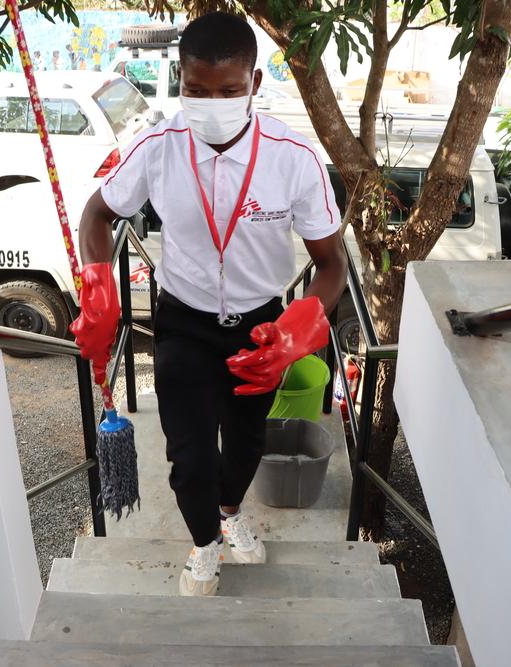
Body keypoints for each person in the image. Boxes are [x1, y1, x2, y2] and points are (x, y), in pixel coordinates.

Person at [71, 12, 346, 597]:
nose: (211, 103)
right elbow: (98, 215)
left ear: (254, 83)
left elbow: (332, 265)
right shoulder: (156, 147)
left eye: (228, 91)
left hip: (261, 326)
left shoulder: (292, 158)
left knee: (246, 442)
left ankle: (229, 511)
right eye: (197, 91)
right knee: (188, 453)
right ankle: (203, 544)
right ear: (181, 81)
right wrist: (98, 287)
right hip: (184, 322)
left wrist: (295, 333)